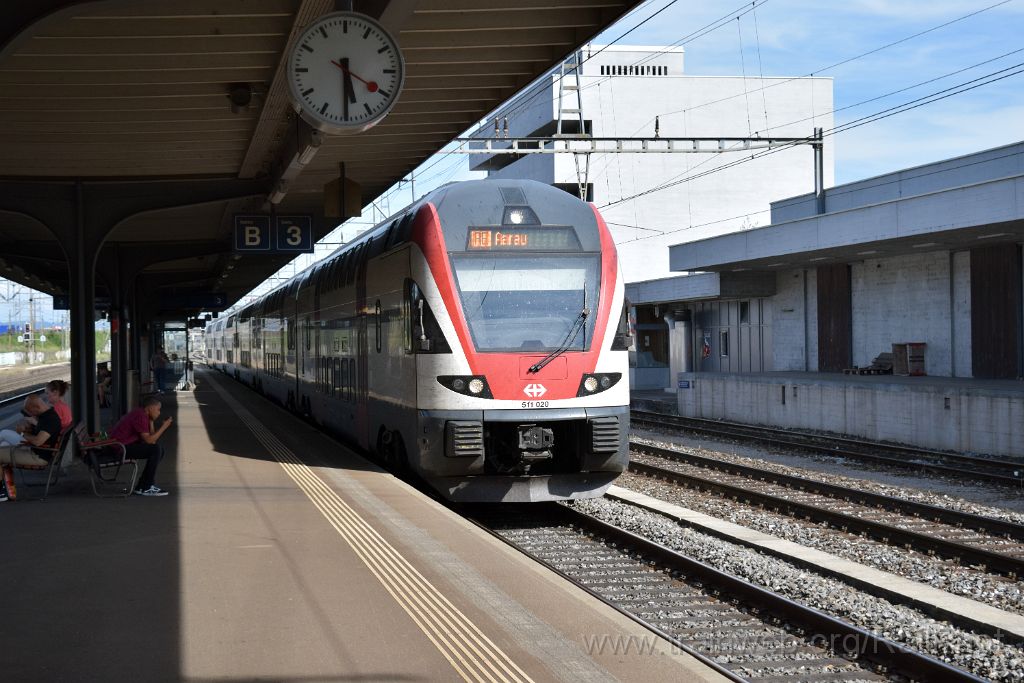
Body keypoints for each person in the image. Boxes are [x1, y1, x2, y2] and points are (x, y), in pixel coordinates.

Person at [107, 395, 173, 497]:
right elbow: (149, 440)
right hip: (119, 449)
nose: (159, 413)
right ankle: (146, 486)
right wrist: (164, 427)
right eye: (158, 409)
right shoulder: (140, 416)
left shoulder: (143, 414)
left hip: (121, 446)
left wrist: (151, 421)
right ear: (149, 408)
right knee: (156, 450)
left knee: (158, 450)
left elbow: (151, 441)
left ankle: (143, 485)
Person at [0, 394, 62, 467]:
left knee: (3, 438)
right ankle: (6, 477)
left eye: (31, 411)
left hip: (38, 456)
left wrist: (22, 433)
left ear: (37, 407)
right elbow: (41, 432)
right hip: (36, 449)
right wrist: (27, 429)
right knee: (4, 444)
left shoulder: (50, 419)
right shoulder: (46, 415)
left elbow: (37, 441)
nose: (31, 414)